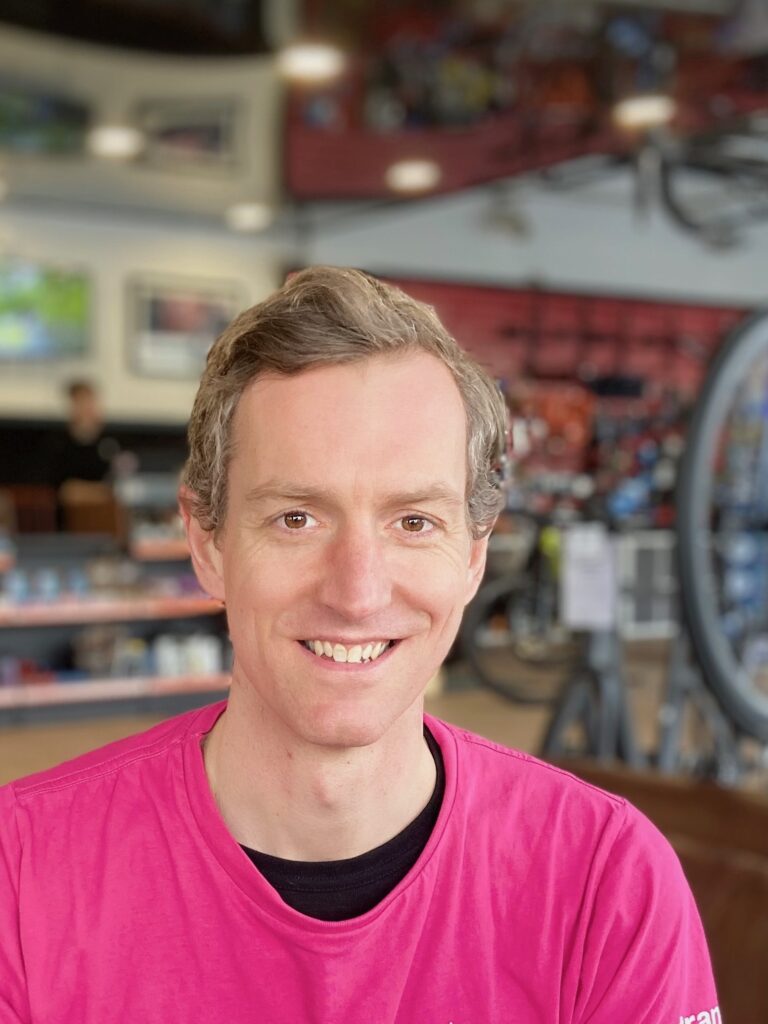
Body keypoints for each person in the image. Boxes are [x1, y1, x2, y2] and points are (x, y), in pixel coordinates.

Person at [0, 267, 719, 1023]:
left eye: (414, 522)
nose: (358, 592)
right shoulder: (21, 874)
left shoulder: (607, 881)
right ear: (205, 542)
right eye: (297, 519)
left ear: (474, 554)